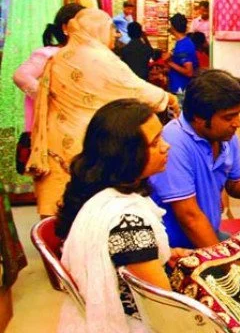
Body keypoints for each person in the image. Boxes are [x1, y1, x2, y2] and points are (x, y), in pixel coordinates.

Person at [26, 8, 179, 217]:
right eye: (111, 29)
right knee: (87, 209)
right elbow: (135, 90)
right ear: (98, 30)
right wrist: (169, 99)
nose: (115, 34)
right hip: (83, 142)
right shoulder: (98, 59)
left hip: (56, 141)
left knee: (58, 212)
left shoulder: (60, 56)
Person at [55, 99, 189, 332]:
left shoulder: (100, 194)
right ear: (127, 154)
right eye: (155, 142)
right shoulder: (128, 223)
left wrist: (162, 254)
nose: (166, 147)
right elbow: (164, 307)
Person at [149, 69, 240, 249]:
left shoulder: (225, 137)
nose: (237, 123)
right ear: (199, 118)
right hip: (177, 247)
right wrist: (224, 262)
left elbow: (236, 183)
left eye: (238, 114)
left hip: (208, 232)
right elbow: (189, 217)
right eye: (228, 117)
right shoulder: (173, 143)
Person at [13, 3, 84, 134]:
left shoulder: (86, 55)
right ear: (65, 28)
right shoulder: (48, 54)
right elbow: (21, 76)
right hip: (49, 127)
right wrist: (50, 97)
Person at [163, 13, 198, 104]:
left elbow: (189, 72)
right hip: (178, 87)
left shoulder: (184, 46)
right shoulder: (182, 42)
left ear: (173, 27)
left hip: (180, 89)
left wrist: (169, 62)